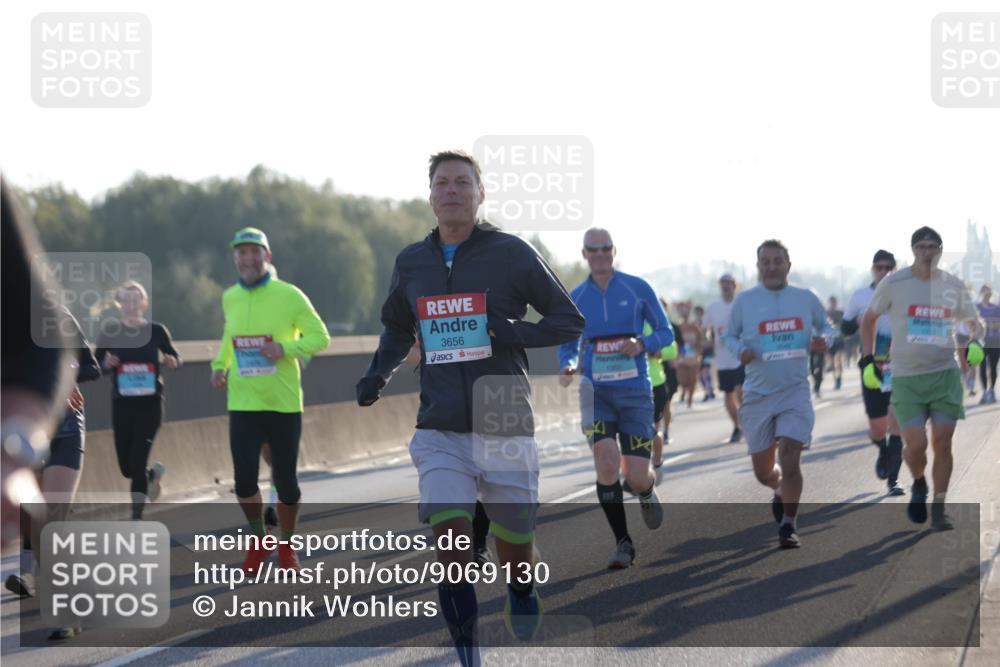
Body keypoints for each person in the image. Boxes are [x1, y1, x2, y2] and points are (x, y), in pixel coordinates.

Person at [357, 150, 583, 662]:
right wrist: (378, 373)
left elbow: (569, 321)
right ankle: (468, 657)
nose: (452, 190)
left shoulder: (511, 253)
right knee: (452, 548)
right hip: (441, 423)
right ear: (431, 195)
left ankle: (520, 588)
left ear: (481, 194)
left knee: (515, 549)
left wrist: (511, 332)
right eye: (443, 183)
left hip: (503, 413)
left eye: (463, 182)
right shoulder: (411, 261)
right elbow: (397, 325)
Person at [210, 227, 330, 571]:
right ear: (235, 257)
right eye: (241, 252)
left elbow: (320, 337)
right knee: (243, 482)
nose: (248, 258)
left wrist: (284, 348)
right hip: (243, 402)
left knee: (287, 483)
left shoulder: (289, 295)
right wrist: (219, 366)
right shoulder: (230, 296)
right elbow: (229, 338)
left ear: (267, 256)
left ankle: (288, 544)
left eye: (254, 252)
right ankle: (260, 538)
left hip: (283, 402)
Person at [558, 227, 673, 569]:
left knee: (636, 476)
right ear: (584, 254)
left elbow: (666, 332)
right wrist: (568, 363)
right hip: (596, 394)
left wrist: (643, 344)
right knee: (606, 464)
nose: (600, 255)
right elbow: (567, 342)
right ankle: (623, 543)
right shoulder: (576, 297)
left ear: (614, 250)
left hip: (635, 391)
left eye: (605, 249)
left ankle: (647, 491)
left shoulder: (637, 288)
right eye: (593, 250)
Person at [861, 227, 984, 530]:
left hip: (944, 374)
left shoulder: (953, 285)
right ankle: (918, 482)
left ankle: (939, 507)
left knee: (943, 441)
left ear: (940, 250)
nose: (927, 252)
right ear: (913, 250)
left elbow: (973, 323)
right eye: (922, 247)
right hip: (906, 377)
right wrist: (867, 359)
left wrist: (976, 341)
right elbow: (869, 319)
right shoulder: (894, 283)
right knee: (915, 446)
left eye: (933, 247)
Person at [722, 240, 835, 549]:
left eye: (777, 261)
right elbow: (728, 335)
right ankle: (777, 487)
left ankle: (788, 524)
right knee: (763, 470)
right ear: (758, 266)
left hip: (794, 390)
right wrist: (740, 350)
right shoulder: (745, 301)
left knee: (790, 456)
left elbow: (828, 326)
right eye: (765, 262)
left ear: (788, 264)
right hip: (757, 393)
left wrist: (825, 339)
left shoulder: (805, 297)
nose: (771, 267)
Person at [7, 308, 100, 641]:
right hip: (23, 434)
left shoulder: (57, 315)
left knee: (53, 518)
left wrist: (70, 374)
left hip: (66, 428)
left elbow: (92, 366)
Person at [95, 281, 181, 519]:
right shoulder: (110, 331)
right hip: (122, 405)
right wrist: (106, 365)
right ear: (119, 304)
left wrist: (172, 361)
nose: (131, 304)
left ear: (144, 303)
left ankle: (136, 517)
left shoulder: (156, 331)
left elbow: (174, 355)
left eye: (136, 299)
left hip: (150, 404)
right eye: (126, 299)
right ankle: (152, 475)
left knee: (138, 457)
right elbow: (95, 365)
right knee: (127, 467)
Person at [842, 250, 905, 496]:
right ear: (872, 269)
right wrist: (858, 321)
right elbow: (845, 329)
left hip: (900, 366)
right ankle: (882, 450)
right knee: (878, 427)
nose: (883, 271)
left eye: (888, 267)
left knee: (897, 422)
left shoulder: (905, 295)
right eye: (879, 267)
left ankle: (894, 480)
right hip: (872, 367)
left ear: (895, 269)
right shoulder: (860, 296)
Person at [705, 274, 745, 443]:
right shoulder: (713, 306)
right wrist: (707, 339)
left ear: (734, 286)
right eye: (723, 284)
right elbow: (706, 329)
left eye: (729, 283)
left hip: (740, 355)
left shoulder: (741, 304)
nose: (726, 286)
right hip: (722, 359)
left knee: (740, 391)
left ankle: (748, 422)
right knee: (728, 395)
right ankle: (737, 426)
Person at [675, 301, 702, 408]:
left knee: (692, 380)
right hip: (681, 358)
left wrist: (698, 350)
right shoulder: (677, 327)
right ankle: (683, 392)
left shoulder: (694, 327)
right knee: (683, 381)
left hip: (693, 358)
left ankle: (689, 400)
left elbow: (700, 342)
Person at [976, 285, 999, 404]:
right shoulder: (977, 307)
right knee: (982, 367)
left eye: (989, 291)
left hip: (995, 341)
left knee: (993, 367)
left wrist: (986, 325)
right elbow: (973, 323)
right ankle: (984, 392)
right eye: (985, 291)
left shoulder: (996, 307)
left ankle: (992, 391)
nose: (987, 293)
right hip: (981, 341)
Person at [694, 305, 716, 401]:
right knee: (700, 373)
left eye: (700, 313)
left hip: (708, 352)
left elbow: (712, 340)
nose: (699, 315)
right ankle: (708, 390)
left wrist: (705, 344)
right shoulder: (694, 325)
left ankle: (709, 391)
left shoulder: (709, 325)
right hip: (698, 353)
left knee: (705, 371)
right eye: (697, 313)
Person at [826, 296, 845, 390]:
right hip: (830, 340)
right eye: (832, 302)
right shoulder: (826, 313)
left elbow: (844, 324)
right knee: (832, 363)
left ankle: (840, 378)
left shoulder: (840, 313)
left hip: (839, 339)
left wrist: (838, 326)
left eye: (835, 302)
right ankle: (835, 380)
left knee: (839, 359)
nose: (833, 304)